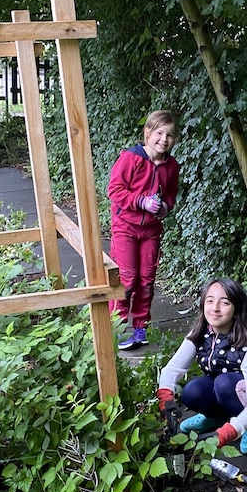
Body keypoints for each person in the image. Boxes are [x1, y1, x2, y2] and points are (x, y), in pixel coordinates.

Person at [156, 277, 247, 456]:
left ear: (236, 310)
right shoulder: (201, 332)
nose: (215, 308)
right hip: (220, 388)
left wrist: (227, 433)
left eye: (225, 303)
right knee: (192, 391)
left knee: (224, 383)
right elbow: (172, 368)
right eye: (210, 301)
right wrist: (166, 398)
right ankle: (214, 417)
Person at [108, 110, 180, 350]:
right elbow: (115, 190)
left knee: (147, 279)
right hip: (125, 228)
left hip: (150, 230)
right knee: (127, 279)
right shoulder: (130, 159)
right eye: (159, 133)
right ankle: (117, 328)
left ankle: (141, 327)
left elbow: (170, 195)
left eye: (169, 135)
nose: (164, 139)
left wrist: (165, 208)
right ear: (148, 133)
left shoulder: (171, 166)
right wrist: (141, 201)